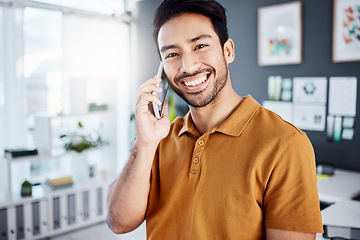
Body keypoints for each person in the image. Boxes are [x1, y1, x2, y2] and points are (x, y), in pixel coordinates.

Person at [107, 0, 323, 239]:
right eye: (172, 54)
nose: (187, 66)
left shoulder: (286, 144)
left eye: (199, 45)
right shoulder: (157, 140)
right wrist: (144, 145)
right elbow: (119, 222)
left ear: (227, 51)